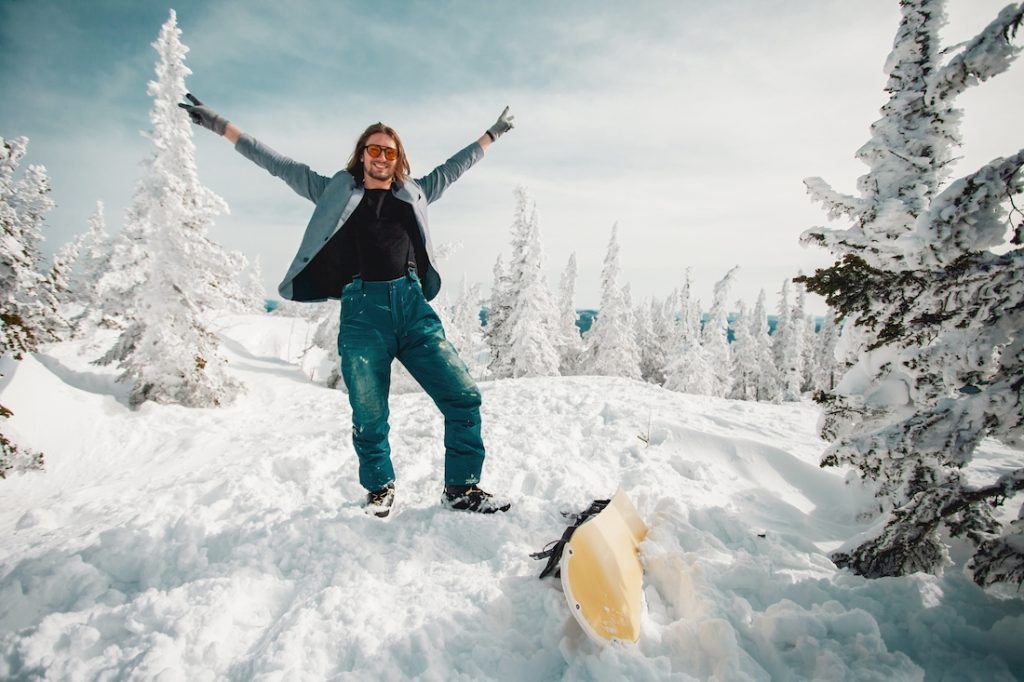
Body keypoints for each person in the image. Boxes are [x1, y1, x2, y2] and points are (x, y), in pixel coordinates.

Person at [179, 93, 514, 517]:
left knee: (463, 396)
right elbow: (277, 163)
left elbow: (454, 168)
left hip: (413, 310)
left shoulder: (416, 192)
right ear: (362, 155)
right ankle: (379, 489)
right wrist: (219, 125)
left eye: (389, 151)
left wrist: (491, 135)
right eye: (374, 149)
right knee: (369, 414)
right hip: (362, 315)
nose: (381, 157)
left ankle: (461, 489)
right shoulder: (332, 191)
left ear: (398, 159)